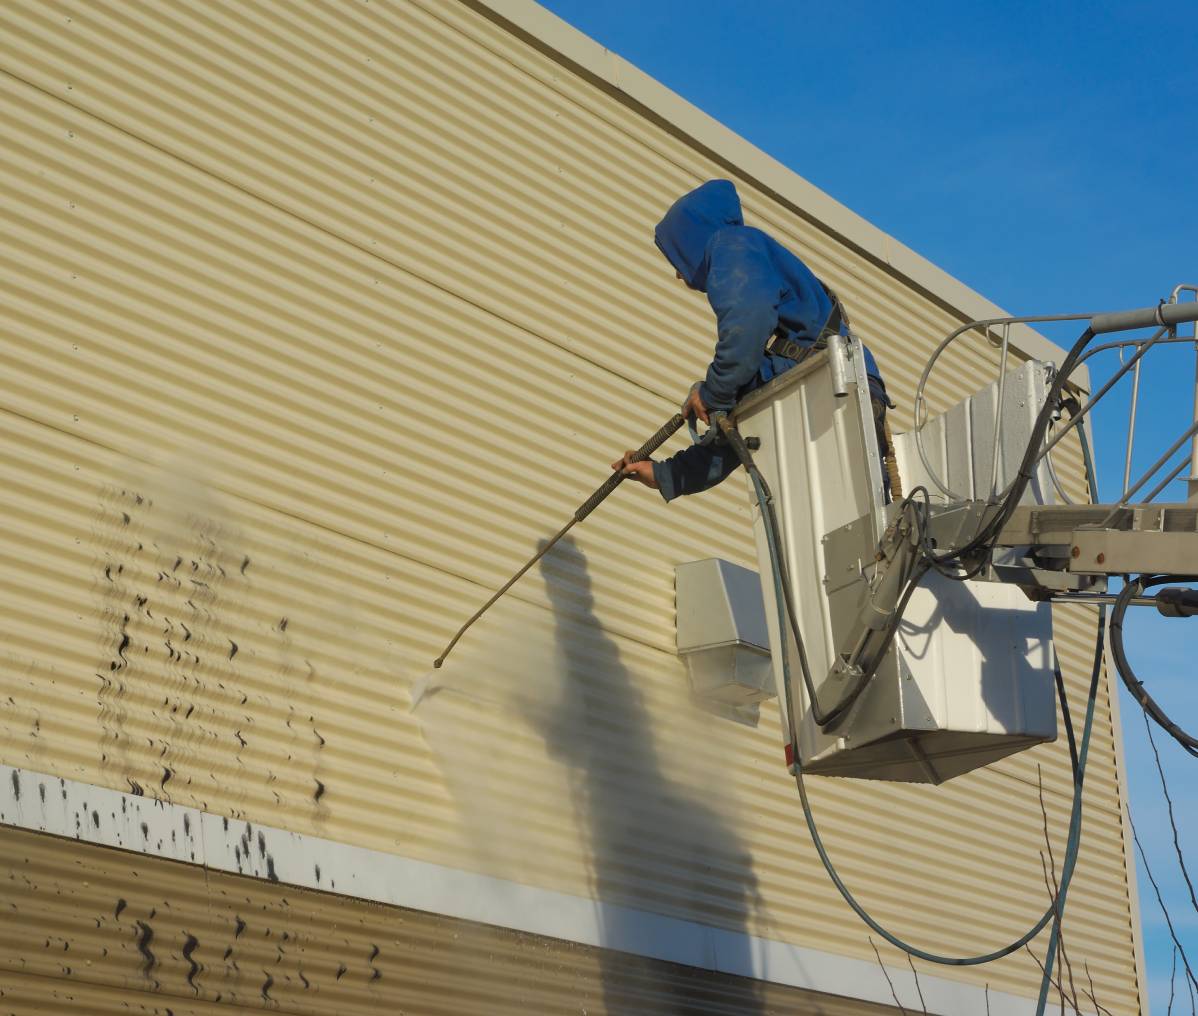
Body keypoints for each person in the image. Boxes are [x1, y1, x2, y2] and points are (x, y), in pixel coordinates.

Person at [612, 179, 891, 501]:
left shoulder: (734, 245)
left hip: (832, 388)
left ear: (691, 241)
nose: (679, 273)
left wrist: (712, 391)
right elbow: (738, 432)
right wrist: (665, 475)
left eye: (678, 259)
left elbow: (745, 325)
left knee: (848, 514)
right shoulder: (773, 356)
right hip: (820, 392)